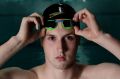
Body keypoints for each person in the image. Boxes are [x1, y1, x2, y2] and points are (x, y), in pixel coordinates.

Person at [0, 3, 120, 79]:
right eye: (52, 38)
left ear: (78, 40)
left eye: (69, 38)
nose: (61, 48)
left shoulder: (101, 75)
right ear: (42, 41)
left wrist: (101, 37)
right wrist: (18, 41)